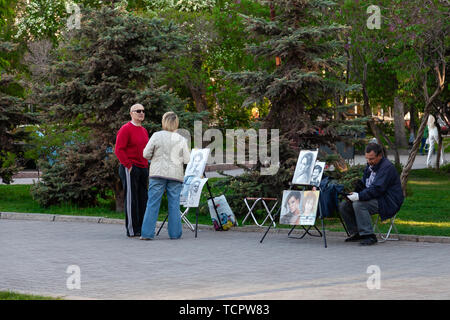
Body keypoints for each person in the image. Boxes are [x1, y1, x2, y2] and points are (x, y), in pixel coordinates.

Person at [339, 142, 404, 246]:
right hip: (376, 197)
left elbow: (377, 189)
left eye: (372, 159)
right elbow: (365, 185)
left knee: (359, 204)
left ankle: (369, 235)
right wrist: (354, 194)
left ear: (380, 156)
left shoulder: (386, 168)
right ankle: (357, 233)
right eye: (367, 159)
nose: (369, 162)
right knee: (344, 205)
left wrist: (359, 196)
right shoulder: (370, 166)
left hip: (388, 201)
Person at [140, 112, 190, 240]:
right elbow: (187, 159)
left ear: (164, 122)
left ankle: (147, 234)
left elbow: (146, 154)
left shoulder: (157, 136)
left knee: (152, 203)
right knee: (174, 204)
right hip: (175, 175)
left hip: (157, 173)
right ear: (176, 123)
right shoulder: (181, 139)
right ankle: (175, 234)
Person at [115, 103, 149, 238]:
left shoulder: (144, 130)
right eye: (138, 111)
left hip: (143, 168)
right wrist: (129, 166)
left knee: (143, 198)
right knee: (131, 199)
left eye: (143, 111)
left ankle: (142, 227)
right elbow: (119, 150)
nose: (141, 113)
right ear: (131, 113)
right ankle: (132, 229)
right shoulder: (125, 129)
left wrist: (146, 165)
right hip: (130, 168)